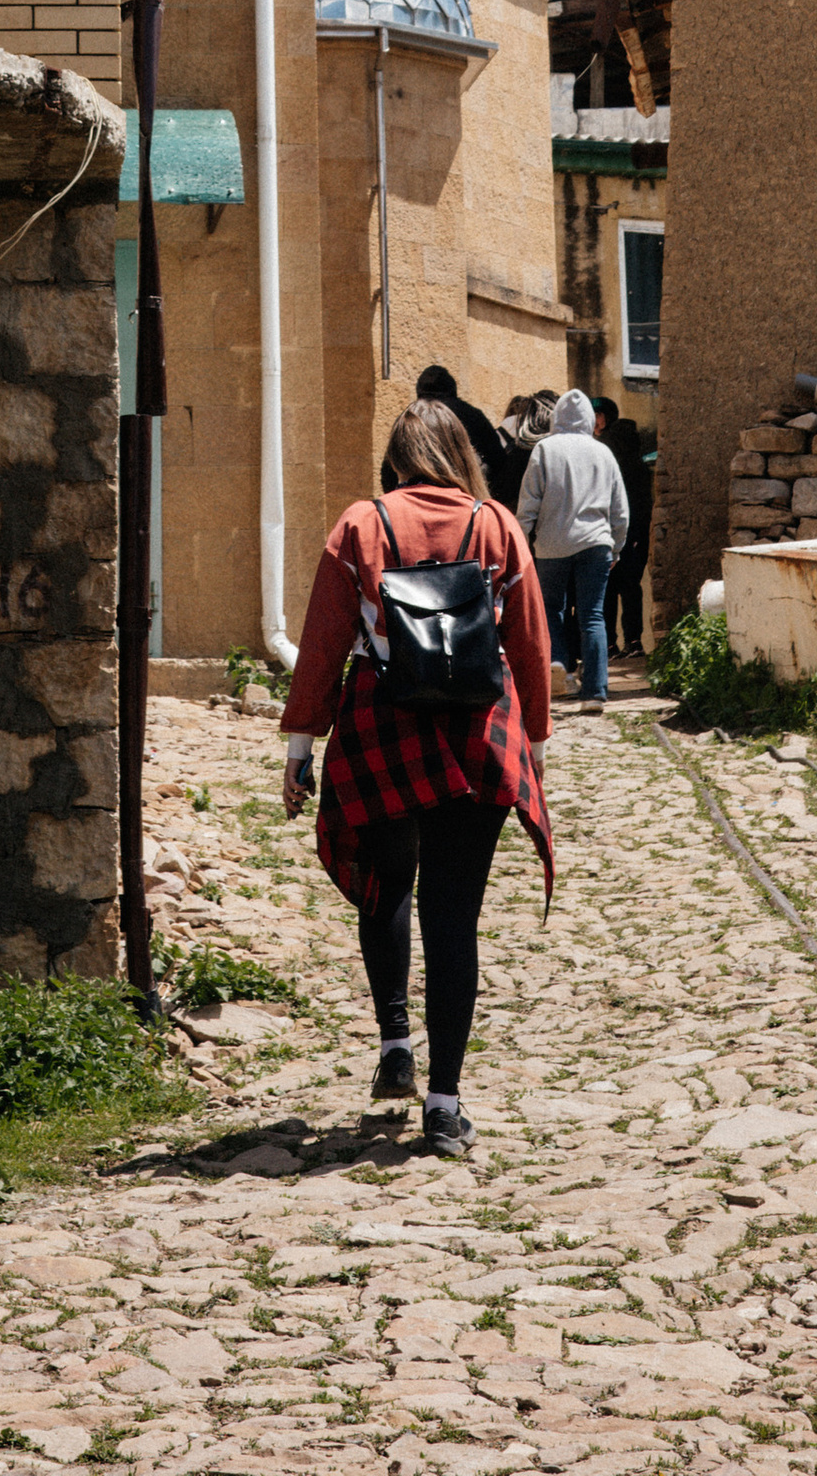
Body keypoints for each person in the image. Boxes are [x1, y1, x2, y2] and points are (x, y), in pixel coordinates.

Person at [280, 399, 553, 1161]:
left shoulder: (360, 525)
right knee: (454, 917)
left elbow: (323, 643)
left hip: (382, 727)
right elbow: (529, 641)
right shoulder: (497, 525)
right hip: (479, 732)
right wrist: (534, 744)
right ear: (461, 453)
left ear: (397, 459)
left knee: (385, 885)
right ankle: (444, 1105)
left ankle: (395, 1042)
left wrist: (300, 746)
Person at [516, 389, 628, 713]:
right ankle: (594, 693)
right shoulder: (603, 453)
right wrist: (616, 547)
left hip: (551, 545)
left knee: (552, 609)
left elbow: (528, 503)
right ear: (590, 420)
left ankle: (558, 665)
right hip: (596, 543)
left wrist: (521, 541)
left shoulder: (544, 449)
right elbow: (620, 509)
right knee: (592, 614)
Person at [599, 405, 655, 660]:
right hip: (635, 537)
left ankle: (610, 644)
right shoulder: (638, 466)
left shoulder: (609, 463)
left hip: (609, 535)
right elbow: (643, 506)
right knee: (631, 588)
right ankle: (634, 641)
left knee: (608, 591)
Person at [414, 361, 512, 495]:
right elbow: (498, 460)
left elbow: (390, 468)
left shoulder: (410, 417)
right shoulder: (472, 415)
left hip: (419, 495)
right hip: (465, 494)